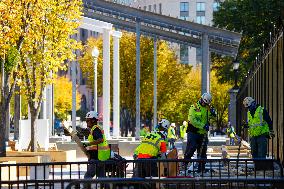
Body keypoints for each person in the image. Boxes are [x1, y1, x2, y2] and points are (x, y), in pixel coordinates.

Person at [184, 93, 216, 172]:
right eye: (204, 103)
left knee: (202, 151)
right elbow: (192, 120)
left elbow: (212, 118)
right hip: (193, 132)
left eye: (206, 104)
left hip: (203, 133)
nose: (204, 104)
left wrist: (213, 113)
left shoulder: (207, 108)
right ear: (201, 99)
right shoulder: (194, 107)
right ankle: (184, 164)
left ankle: (201, 169)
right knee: (191, 147)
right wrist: (203, 125)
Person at [83, 111, 110, 188]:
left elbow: (100, 140)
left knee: (89, 174)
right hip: (102, 156)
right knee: (102, 176)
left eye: (88, 120)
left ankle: (85, 188)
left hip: (96, 157)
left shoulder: (96, 129)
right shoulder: (95, 129)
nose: (86, 122)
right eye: (86, 120)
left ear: (93, 120)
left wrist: (88, 144)